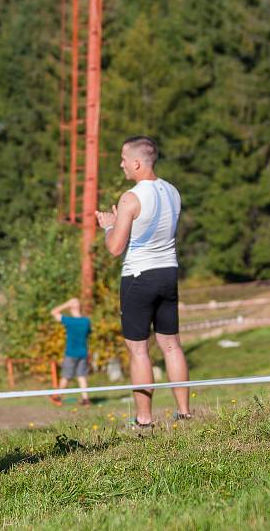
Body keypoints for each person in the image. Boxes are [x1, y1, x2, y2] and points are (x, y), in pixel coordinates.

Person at [95, 136, 191, 428]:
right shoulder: (172, 191)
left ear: (137, 163)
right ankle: (184, 412)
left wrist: (109, 226)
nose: (121, 163)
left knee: (139, 349)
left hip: (139, 276)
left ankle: (144, 419)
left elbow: (115, 247)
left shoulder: (130, 198)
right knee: (171, 345)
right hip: (168, 272)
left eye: (124, 158)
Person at [49, 298, 91, 406]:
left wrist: (66, 304)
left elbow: (53, 312)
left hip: (71, 353)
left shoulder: (69, 321)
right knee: (81, 376)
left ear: (71, 307)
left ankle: (58, 397)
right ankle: (85, 400)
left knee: (66, 376)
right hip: (83, 353)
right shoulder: (86, 321)